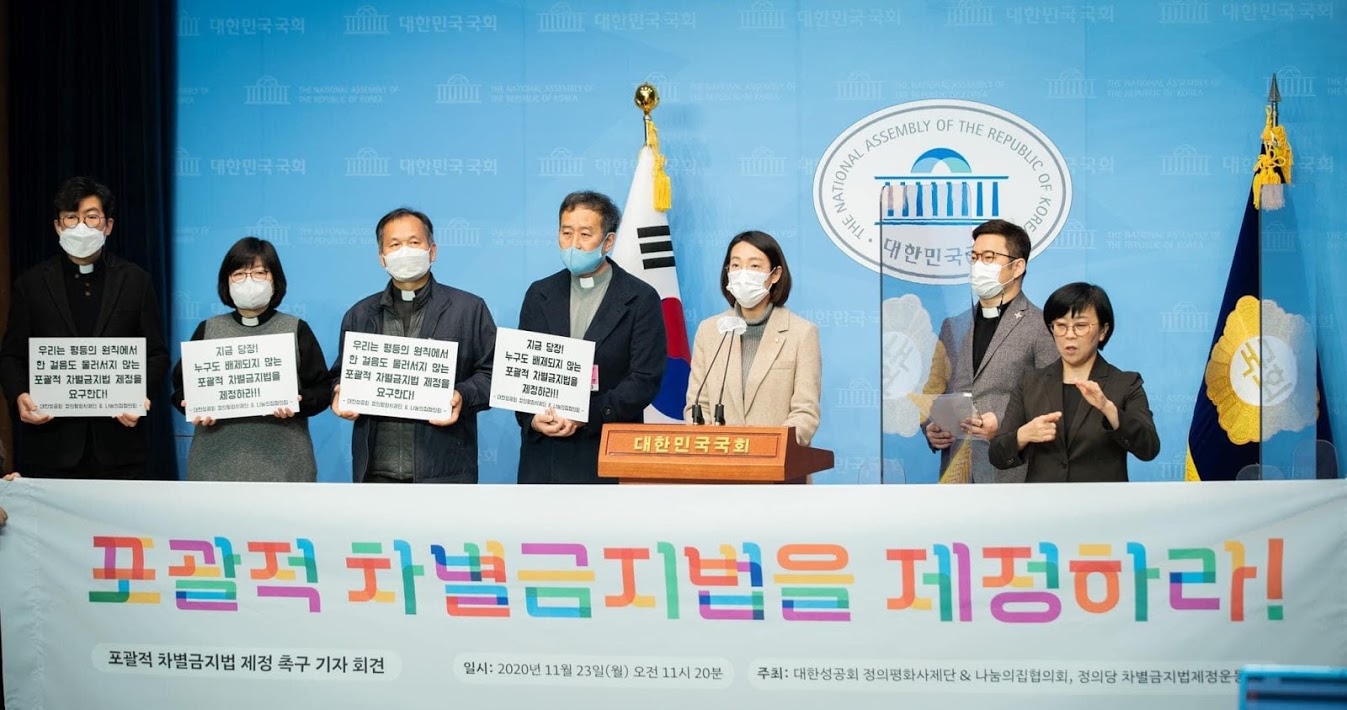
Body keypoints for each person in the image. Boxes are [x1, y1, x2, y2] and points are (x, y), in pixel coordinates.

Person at [0, 177, 169, 479]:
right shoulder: (32, 284)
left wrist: (139, 394)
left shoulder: (135, 280)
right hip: (51, 446)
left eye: (91, 217)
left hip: (120, 446)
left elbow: (156, 354)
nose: (81, 227)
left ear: (108, 226)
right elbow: (12, 356)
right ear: (58, 226)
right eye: (71, 217)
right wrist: (19, 395)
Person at [329, 207, 496, 484]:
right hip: (374, 474)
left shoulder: (468, 309)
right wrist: (339, 393)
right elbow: (340, 375)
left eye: (414, 242)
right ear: (382, 257)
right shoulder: (360, 314)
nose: (404, 251)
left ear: (432, 251)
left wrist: (462, 395)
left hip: (444, 473)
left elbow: (494, 375)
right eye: (394, 245)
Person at [515, 191, 666, 484]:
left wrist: (586, 414)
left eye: (585, 234)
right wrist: (533, 418)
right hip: (544, 458)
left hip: (606, 451)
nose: (574, 244)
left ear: (608, 241)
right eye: (566, 233)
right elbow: (523, 371)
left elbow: (645, 379)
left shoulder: (640, 298)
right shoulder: (539, 293)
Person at [170, 237, 332, 481]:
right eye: (239, 274)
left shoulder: (296, 328)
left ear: (275, 280)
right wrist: (192, 405)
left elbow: (322, 389)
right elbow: (181, 388)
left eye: (259, 273)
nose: (249, 282)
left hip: (285, 466)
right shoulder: (208, 329)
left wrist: (299, 402)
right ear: (226, 281)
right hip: (215, 464)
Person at [922, 219, 1058, 483]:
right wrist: (931, 426)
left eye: (989, 257)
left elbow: (1053, 401)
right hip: (956, 474)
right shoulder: (953, 326)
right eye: (974, 258)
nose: (978, 266)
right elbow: (933, 392)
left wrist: (1006, 426)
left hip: (1011, 474)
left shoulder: (1042, 326)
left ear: (1017, 266)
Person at [990, 283, 1159, 482]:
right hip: (1044, 500)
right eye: (1061, 326)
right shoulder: (1030, 383)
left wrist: (1108, 409)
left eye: (1080, 326)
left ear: (1103, 331)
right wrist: (1023, 435)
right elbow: (997, 456)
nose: (1069, 335)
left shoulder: (1125, 384)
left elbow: (1148, 448)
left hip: (1103, 500)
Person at [685, 230, 821, 446]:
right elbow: (698, 405)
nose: (743, 273)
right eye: (736, 265)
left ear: (775, 274)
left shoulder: (801, 333)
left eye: (755, 266)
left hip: (776, 460)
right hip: (719, 459)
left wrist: (768, 447)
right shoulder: (709, 331)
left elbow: (805, 412)